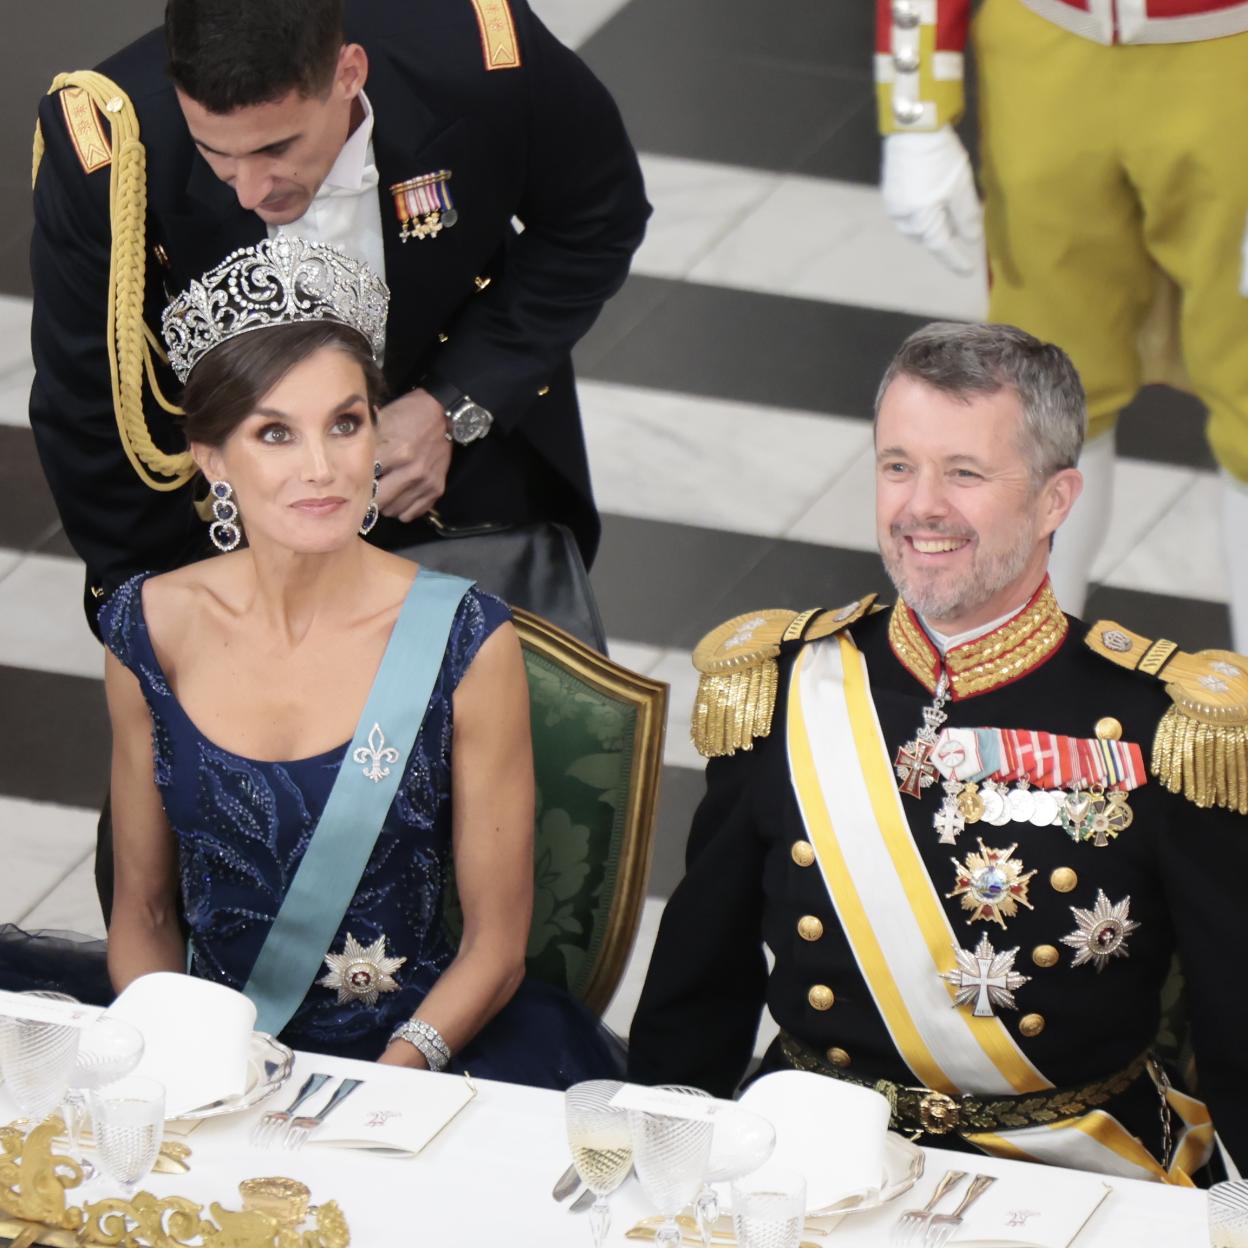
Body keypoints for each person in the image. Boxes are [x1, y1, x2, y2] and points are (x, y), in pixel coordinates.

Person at [628, 322, 1248, 1181]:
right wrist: (654, 1172)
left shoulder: (1161, 724)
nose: (921, 506)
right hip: (812, 1156)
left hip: (1071, 1172)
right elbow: (699, 984)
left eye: (964, 472)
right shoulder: (785, 687)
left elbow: (1237, 1011)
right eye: (897, 466)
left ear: (1055, 500)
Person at [96, 236, 618, 1086]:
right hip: (211, 1066)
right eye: (274, 433)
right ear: (212, 459)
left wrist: (386, 1080)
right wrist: (180, 1060)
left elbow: (494, 949)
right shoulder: (150, 630)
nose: (323, 469)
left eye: (346, 423)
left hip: (412, 1061)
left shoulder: (464, 642)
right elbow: (145, 909)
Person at [30, 0, 649, 627]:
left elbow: (595, 220)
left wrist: (452, 403)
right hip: (226, 540)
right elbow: (89, 409)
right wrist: (174, 611)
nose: (249, 190)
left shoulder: (479, 53)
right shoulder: (111, 145)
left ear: (349, 74)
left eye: (277, 147)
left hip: (456, 501)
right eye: (215, 152)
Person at [874, 0, 1248, 650]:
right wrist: (916, 109)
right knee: (1042, 401)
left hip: (1229, 55)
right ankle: (1016, 697)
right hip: (1045, 48)